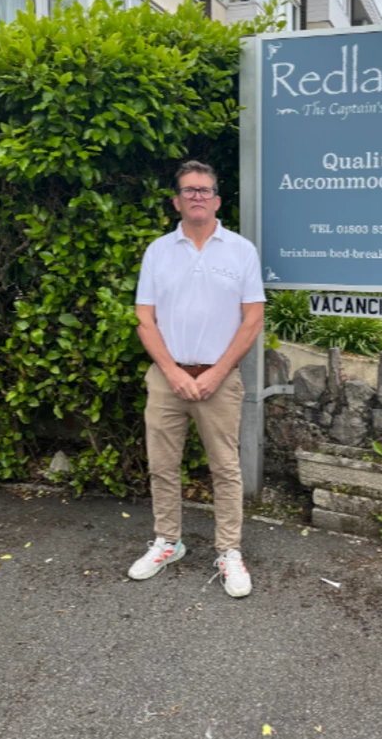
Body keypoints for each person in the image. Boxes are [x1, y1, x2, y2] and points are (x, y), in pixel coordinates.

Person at [128, 160, 265, 598]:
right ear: (176, 201)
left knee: (225, 469)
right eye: (188, 190)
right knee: (162, 467)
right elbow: (144, 319)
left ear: (218, 200)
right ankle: (168, 542)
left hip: (219, 381)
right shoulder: (157, 251)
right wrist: (171, 372)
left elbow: (253, 318)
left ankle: (229, 551)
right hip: (167, 377)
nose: (197, 196)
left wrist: (217, 373)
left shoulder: (241, 251)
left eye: (205, 189)